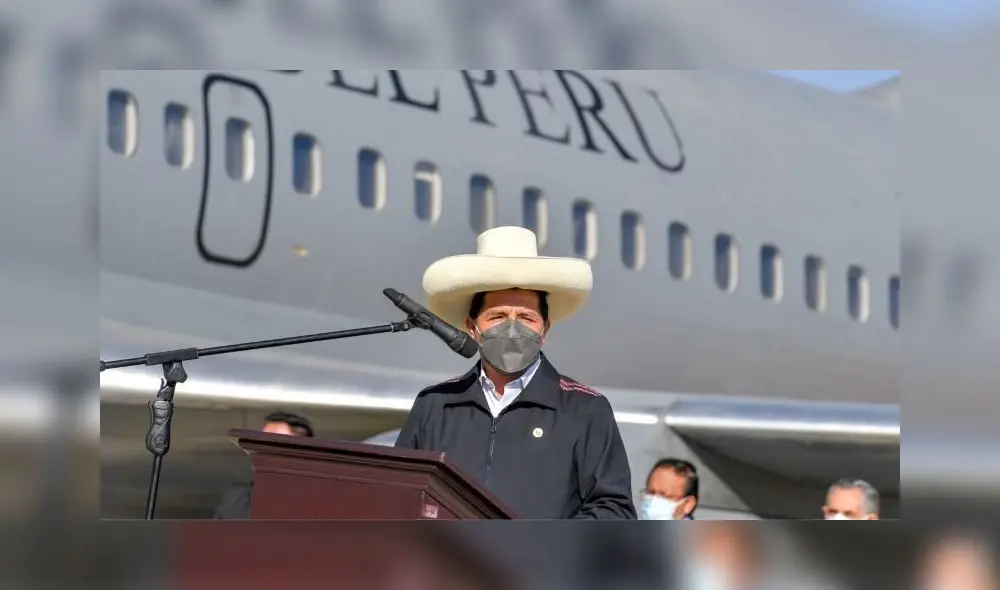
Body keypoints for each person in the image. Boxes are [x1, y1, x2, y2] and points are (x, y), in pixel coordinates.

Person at [395, 226, 636, 519]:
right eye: (497, 317)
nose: (512, 329)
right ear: (472, 327)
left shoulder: (584, 409)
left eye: (526, 318)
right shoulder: (436, 404)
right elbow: (400, 497)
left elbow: (614, 511)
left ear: (545, 329)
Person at [212, 410, 314, 519]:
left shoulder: (316, 498)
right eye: (261, 442)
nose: (264, 448)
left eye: (275, 442)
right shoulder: (236, 497)